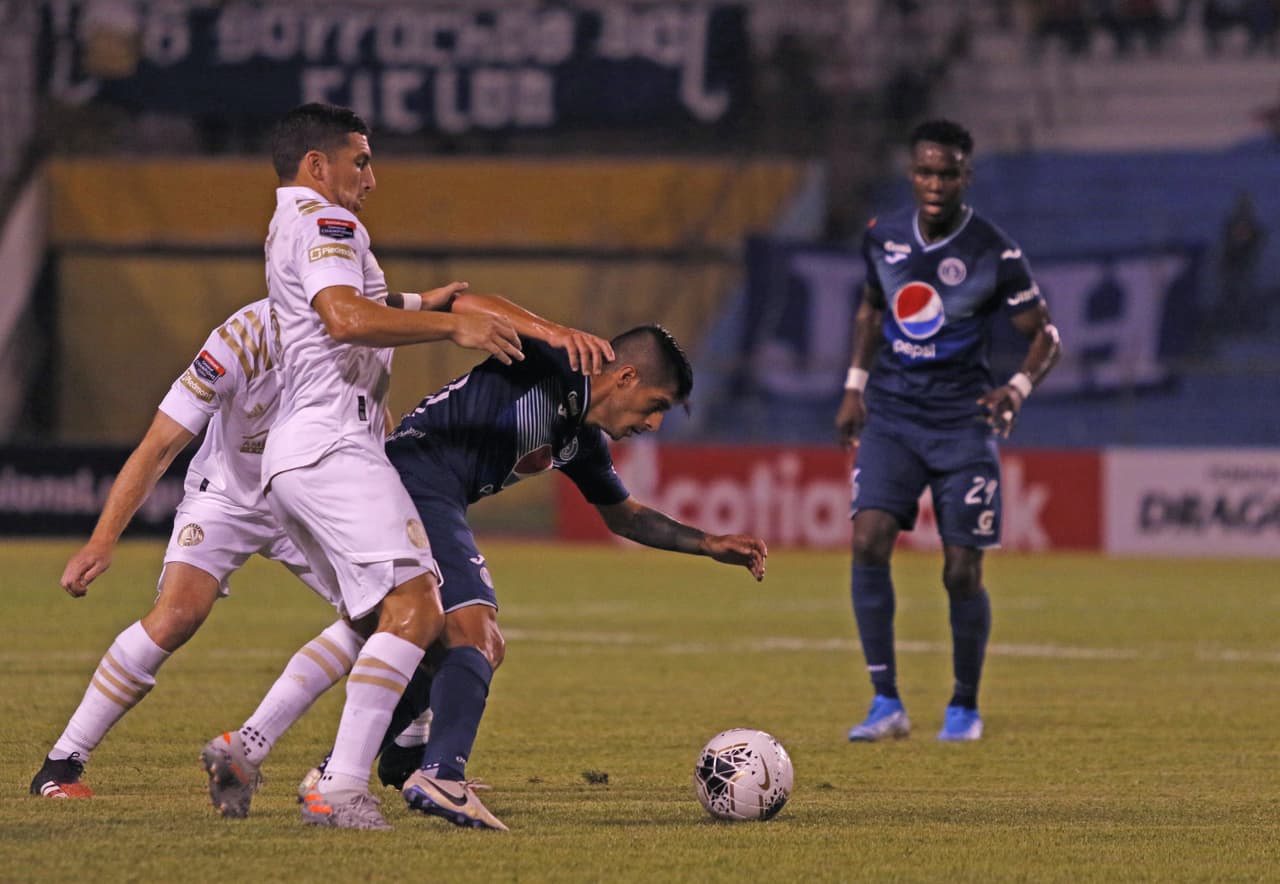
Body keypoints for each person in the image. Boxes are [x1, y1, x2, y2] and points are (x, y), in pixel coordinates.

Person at [209, 323, 769, 831]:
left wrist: (707, 543)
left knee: (417, 636)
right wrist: (472, 315)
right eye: (656, 405)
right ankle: (439, 775)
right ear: (625, 376)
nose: (653, 423)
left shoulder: (579, 438)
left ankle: (311, 763)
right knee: (478, 635)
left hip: (414, 488)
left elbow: (624, 514)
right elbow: (485, 314)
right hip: (415, 479)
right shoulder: (556, 361)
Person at [28, 285, 561, 802]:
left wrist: (545, 333)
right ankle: (63, 761)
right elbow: (160, 446)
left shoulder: (360, 312)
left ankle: (362, 748)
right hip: (229, 497)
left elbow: (445, 302)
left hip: (311, 495)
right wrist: (102, 540)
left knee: (403, 613)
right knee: (177, 615)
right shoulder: (239, 340)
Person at [259, 102, 529, 830]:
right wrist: (452, 324)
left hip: (304, 448)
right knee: (416, 608)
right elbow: (345, 317)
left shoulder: (292, 223)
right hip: (332, 445)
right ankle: (342, 786)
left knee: (390, 615)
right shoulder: (326, 221)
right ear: (318, 165)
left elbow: (338, 306)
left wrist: (418, 300)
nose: (370, 178)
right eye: (361, 160)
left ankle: (273, 752)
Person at [833, 119, 1061, 743]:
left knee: (961, 570)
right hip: (894, 419)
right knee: (868, 540)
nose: (935, 183)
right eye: (925, 171)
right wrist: (854, 384)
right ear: (912, 173)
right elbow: (872, 307)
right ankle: (887, 703)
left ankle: (964, 705)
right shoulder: (882, 237)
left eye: (948, 172)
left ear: (967, 176)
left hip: (963, 425)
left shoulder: (995, 251)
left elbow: (1046, 335)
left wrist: (1016, 389)